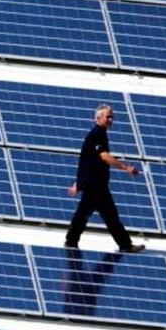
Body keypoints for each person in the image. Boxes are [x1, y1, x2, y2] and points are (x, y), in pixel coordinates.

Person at [64, 104, 145, 252]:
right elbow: (104, 156)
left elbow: (88, 161)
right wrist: (126, 168)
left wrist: (78, 184)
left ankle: (72, 242)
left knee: (100, 214)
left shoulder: (99, 134)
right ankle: (71, 242)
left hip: (96, 184)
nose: (110, 119)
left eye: (112, 117)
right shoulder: (97, 134)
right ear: (98, 118)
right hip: (95, 185)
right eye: (107, 117)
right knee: (93, 214)